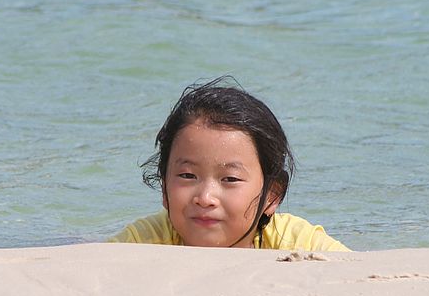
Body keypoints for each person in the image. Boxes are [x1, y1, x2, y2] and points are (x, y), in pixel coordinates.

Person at [109, 76, 350, 251]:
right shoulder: (144, 243)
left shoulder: (296, 244)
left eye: (230, 179)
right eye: (187, 176)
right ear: (164, 187)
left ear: (272, 195)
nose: (205, 197)